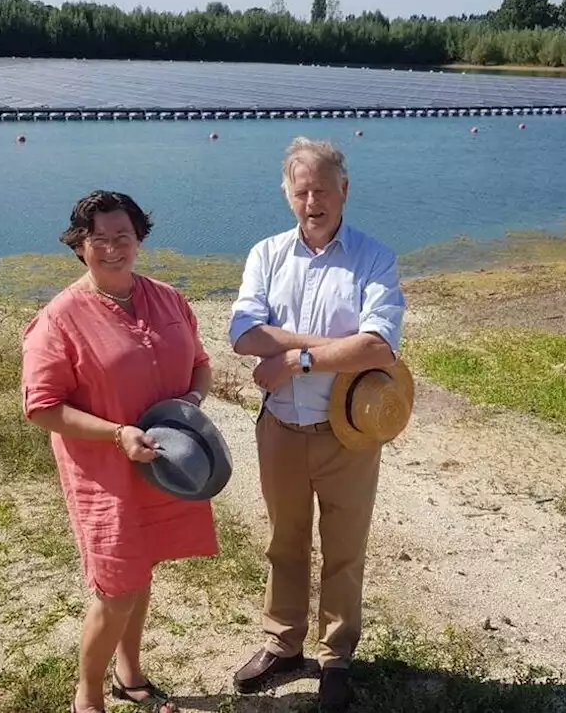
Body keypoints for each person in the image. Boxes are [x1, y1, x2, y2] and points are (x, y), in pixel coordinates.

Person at [227, 137, 407, 711]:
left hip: (349, 434)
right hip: (279, 428)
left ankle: (336, 659)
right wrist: (332, 346)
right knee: (284, 541)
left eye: (323, 190)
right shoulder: (266, 255)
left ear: (344, 191)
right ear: (288, 195)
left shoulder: (374, 258)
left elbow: (379, 346)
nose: (313, 201)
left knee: (344, 548)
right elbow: (243, 334)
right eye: (302, 191)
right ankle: (283, 643)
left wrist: (298, 360)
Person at [21, 190, 216, 713]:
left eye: (122, 237)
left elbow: (201, 363)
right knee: (117, 587)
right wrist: (116, 433)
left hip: (164, 466)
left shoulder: (169, 299)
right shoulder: (59, 319)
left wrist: (191, 404)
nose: (113, 249)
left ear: (138, 239)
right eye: (99, 239)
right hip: (105, 473)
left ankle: (130, 677)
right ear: (80, 245)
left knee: (142, 571)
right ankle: (87, 697)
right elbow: (41, 406)